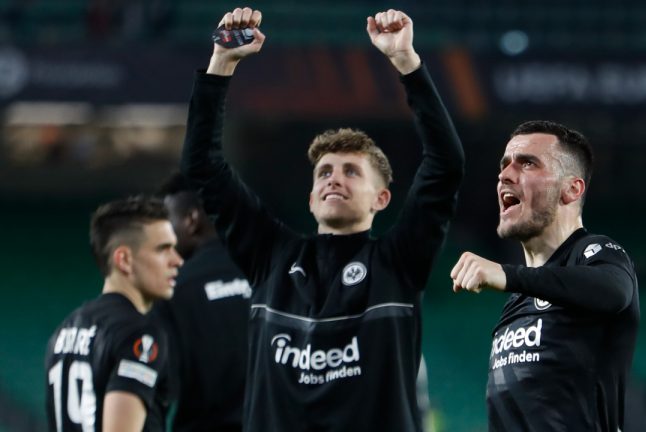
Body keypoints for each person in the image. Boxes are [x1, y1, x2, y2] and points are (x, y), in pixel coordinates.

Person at [180, 6, 464, 431]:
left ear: (381, 198)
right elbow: (202, 165)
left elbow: (445, 164)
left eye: (352, 171)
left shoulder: (398, 263)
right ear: (312, 198)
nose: (335, 179)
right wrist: (222, 62)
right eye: (325, 173)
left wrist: (406, 62)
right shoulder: (270, 256)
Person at [450, 120, 640, 431]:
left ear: (571, 189)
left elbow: (615, 291)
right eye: (505, 165)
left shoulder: (595, 252)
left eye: (527, 163)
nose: (505, 175)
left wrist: (509, 275)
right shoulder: (515, 306)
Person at [44, 196, 183, 431]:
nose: (177, 260)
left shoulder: (64, 331)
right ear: (124, 260)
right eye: (163, 249)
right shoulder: (140, 333)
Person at [150, 172, 250, 432]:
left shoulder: (171, 289)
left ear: (191, 220)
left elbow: (156, 389)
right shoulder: (274, 273)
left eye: (166, 223)